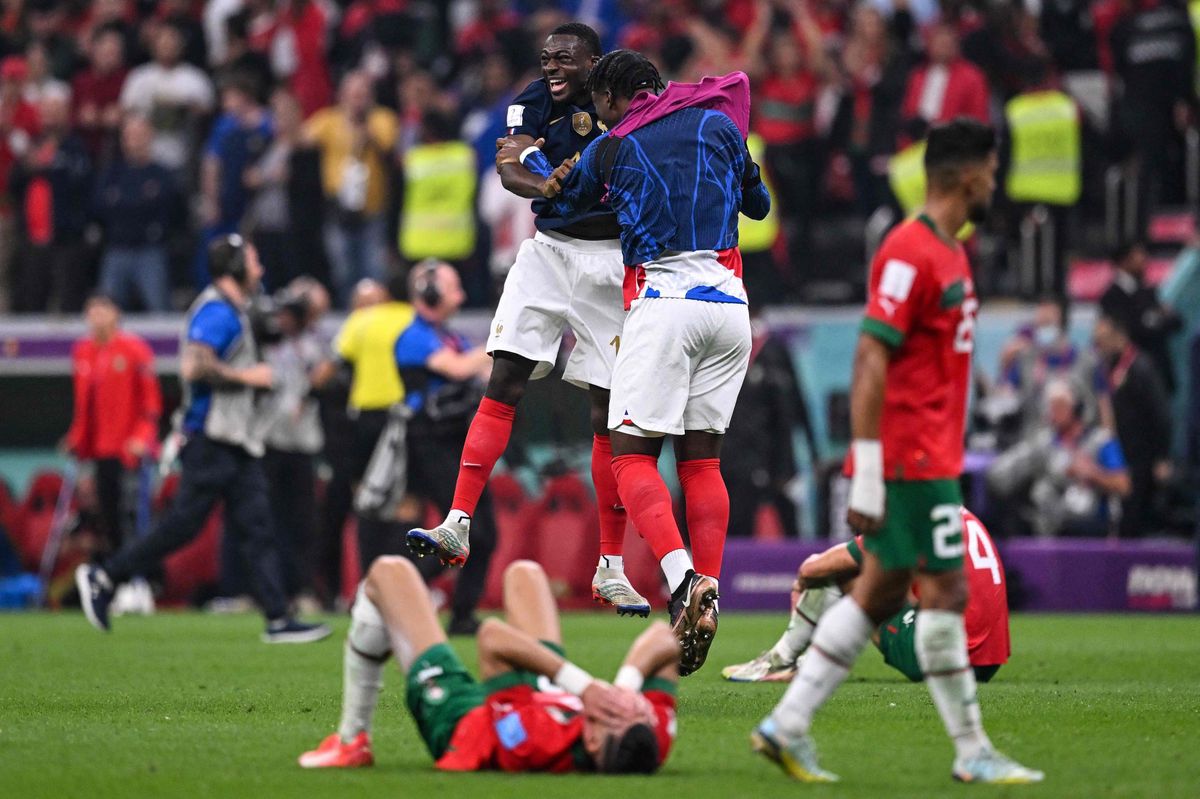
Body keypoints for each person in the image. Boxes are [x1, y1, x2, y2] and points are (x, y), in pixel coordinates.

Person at [751, 119, 1042, 784]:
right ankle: (971, 749)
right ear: (966, 174)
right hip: (911, 457)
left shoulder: (952, 252)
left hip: (933, 454)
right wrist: (869, 472)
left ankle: (787, 724)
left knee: (884, 594)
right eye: (991, 171)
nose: (995, 183)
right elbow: (870, 355)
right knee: (939, 592)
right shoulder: (910, 251)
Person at [531, 52, 771, 674]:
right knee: (703, 459)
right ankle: (709, 591)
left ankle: (682, 578)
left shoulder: (612, 144)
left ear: (613, 97)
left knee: (630, 454)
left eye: (598, 102)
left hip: (664, 303)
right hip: (729, 306)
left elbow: (561, 202)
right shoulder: (720, 125)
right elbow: (760, 205)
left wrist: (543, 165)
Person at [406, 24, 651, 618]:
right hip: (547, 253)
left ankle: (610, 567)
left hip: (609, 261)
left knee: (607, 409)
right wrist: (548, 183)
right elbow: (510, 166)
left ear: (595, 62)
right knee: (504, 378)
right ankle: (458, 523)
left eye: (564, 59)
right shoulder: (532, 102)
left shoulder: (626, 101)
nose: (552, 68)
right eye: (546, 59)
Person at [75, 235, 330, 644]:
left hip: (235, 439)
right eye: (253, 261)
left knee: (258, 525)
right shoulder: (216, 311)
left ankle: (279, 618)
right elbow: (195, 365)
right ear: (235, 267)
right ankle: (104, 576)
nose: (260, 269)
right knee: (182, 525)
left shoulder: (231, 309)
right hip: (212, 437)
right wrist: (249, 377)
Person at [296, 557, 679, 774]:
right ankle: (383, 630)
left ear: (592, 741)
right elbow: (665, 638)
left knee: (389, 573)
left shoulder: (535, 742)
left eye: (616, 712)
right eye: (637, 711)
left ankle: (351, 740)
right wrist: (627, 687)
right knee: (525, 573)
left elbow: (492, 640)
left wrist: (584, 687)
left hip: (469, 721)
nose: (628, 706)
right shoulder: (649, 739)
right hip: (541, 696)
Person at [723, 507, 1009, 685]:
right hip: (988, 661)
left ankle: (786, 659)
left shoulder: (910, 511)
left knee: (846, 573)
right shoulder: (957, 512)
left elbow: (816, 568)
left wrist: (801, 581)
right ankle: (800, 660)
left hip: (946, 655)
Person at [393, 260, 495, 634]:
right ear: (430, 293)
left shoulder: (448, 336)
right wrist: (504, 340)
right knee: (466, 533)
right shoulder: (415, 336)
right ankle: (400, 593)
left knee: (486, 535)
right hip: (430, 444)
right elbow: (457, 369)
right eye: (453, 287)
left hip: (458, 442)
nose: (461, 296)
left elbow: (478, 370)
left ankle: (463, 615)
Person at [63, 294, 162, 556]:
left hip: (129, 449)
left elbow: (151, 404)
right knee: (108, 516)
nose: (96, 315)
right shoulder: (82, 352)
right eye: (91, 310)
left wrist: (143, 437)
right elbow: (83, 404)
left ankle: (148, 579)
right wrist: (76, 437)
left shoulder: (135, 349)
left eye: (102, 309)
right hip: (99, 448)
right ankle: (119, 579)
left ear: (116, 313)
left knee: (133, 515)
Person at [257, 278, 334, 605]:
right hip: (270, 440)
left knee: (302, 521)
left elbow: (327, 372)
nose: (284, 320)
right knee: (267, 519)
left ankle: (301, 587)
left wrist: (319, 376)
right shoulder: (266, 343)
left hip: (303, 442)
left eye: (292, 314)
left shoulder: (315, 344)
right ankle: (266, 589)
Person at [331, 272, 414, 570]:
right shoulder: (416, 321)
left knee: (364, 501)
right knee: (405, 504)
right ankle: (401, 580)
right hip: (401, 419)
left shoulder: (362, 319)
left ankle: (370, 579)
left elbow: (337, 361)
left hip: (364, 420)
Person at [988, 377, 1131, 537]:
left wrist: (1092, 474)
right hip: (1050, 531)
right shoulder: (1042, 444)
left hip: (1092, 531)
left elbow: (1123, 486)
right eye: (1051, 406)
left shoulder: (1100, 441)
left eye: (1060, 406)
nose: (1053, 413)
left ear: (1077, 407)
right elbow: (1003, 474)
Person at [303, 71, 399, 306]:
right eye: (353, 94)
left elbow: (389, 150)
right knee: (343, 272)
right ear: (342, 96)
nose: (358, 100)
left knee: (374, 271)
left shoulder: (382, 119)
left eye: (362, 94)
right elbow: (301, 139)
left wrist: (365, 130)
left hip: (372, 211)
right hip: (338, 212)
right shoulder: (329, 120)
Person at [9, 84, 92, 313]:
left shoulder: (75, 146)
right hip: (32, 238)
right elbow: (13, 183)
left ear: (66, 113)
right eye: (47, 110)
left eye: (56, 109)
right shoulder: (32, 144)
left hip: (65, 239)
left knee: (67, 299)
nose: (51, 115)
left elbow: (79, 181)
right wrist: (30, 166)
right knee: (31, 298)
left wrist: (44, 167)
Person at [92, 114, 183, 312]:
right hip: (117, 248)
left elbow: (174, 211)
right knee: (106, 308)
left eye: (139, 135)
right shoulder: (111, 173)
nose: (134, 141)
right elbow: (100, 207)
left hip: (150, 250)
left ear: (150, 136)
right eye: (129, 136)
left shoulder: (162, 174)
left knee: (159, 307)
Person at [1093, 314, 1172, 537]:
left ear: (1119, 337)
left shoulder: (1141, 367)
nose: (1100, 345)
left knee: (1136, 518)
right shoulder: (1107, 366)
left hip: (1141, 456)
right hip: (1119, 453)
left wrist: (1162, 457)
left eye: (1103, 339)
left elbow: (1162, 415)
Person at [118, 22, 215, 175]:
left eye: (172, 43)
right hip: (144, 155)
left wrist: (186, 108)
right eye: (163, 43)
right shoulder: (139, 77)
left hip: (182, 154)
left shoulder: (195, 78)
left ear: (180, 46)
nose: (167, 47)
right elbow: (124, 112)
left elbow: (208, 113)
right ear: (154, 46)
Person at [1100, 241, 1184, 394]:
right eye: (1138, 255)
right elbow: (1130, 331)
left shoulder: (1149, 291)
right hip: (1130, 374)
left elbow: (1176, 321)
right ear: (1124, 260)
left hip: (1159, 369)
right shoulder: (1111, 296)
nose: (1145, 259)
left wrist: (1153, 321)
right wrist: (1156, 320)